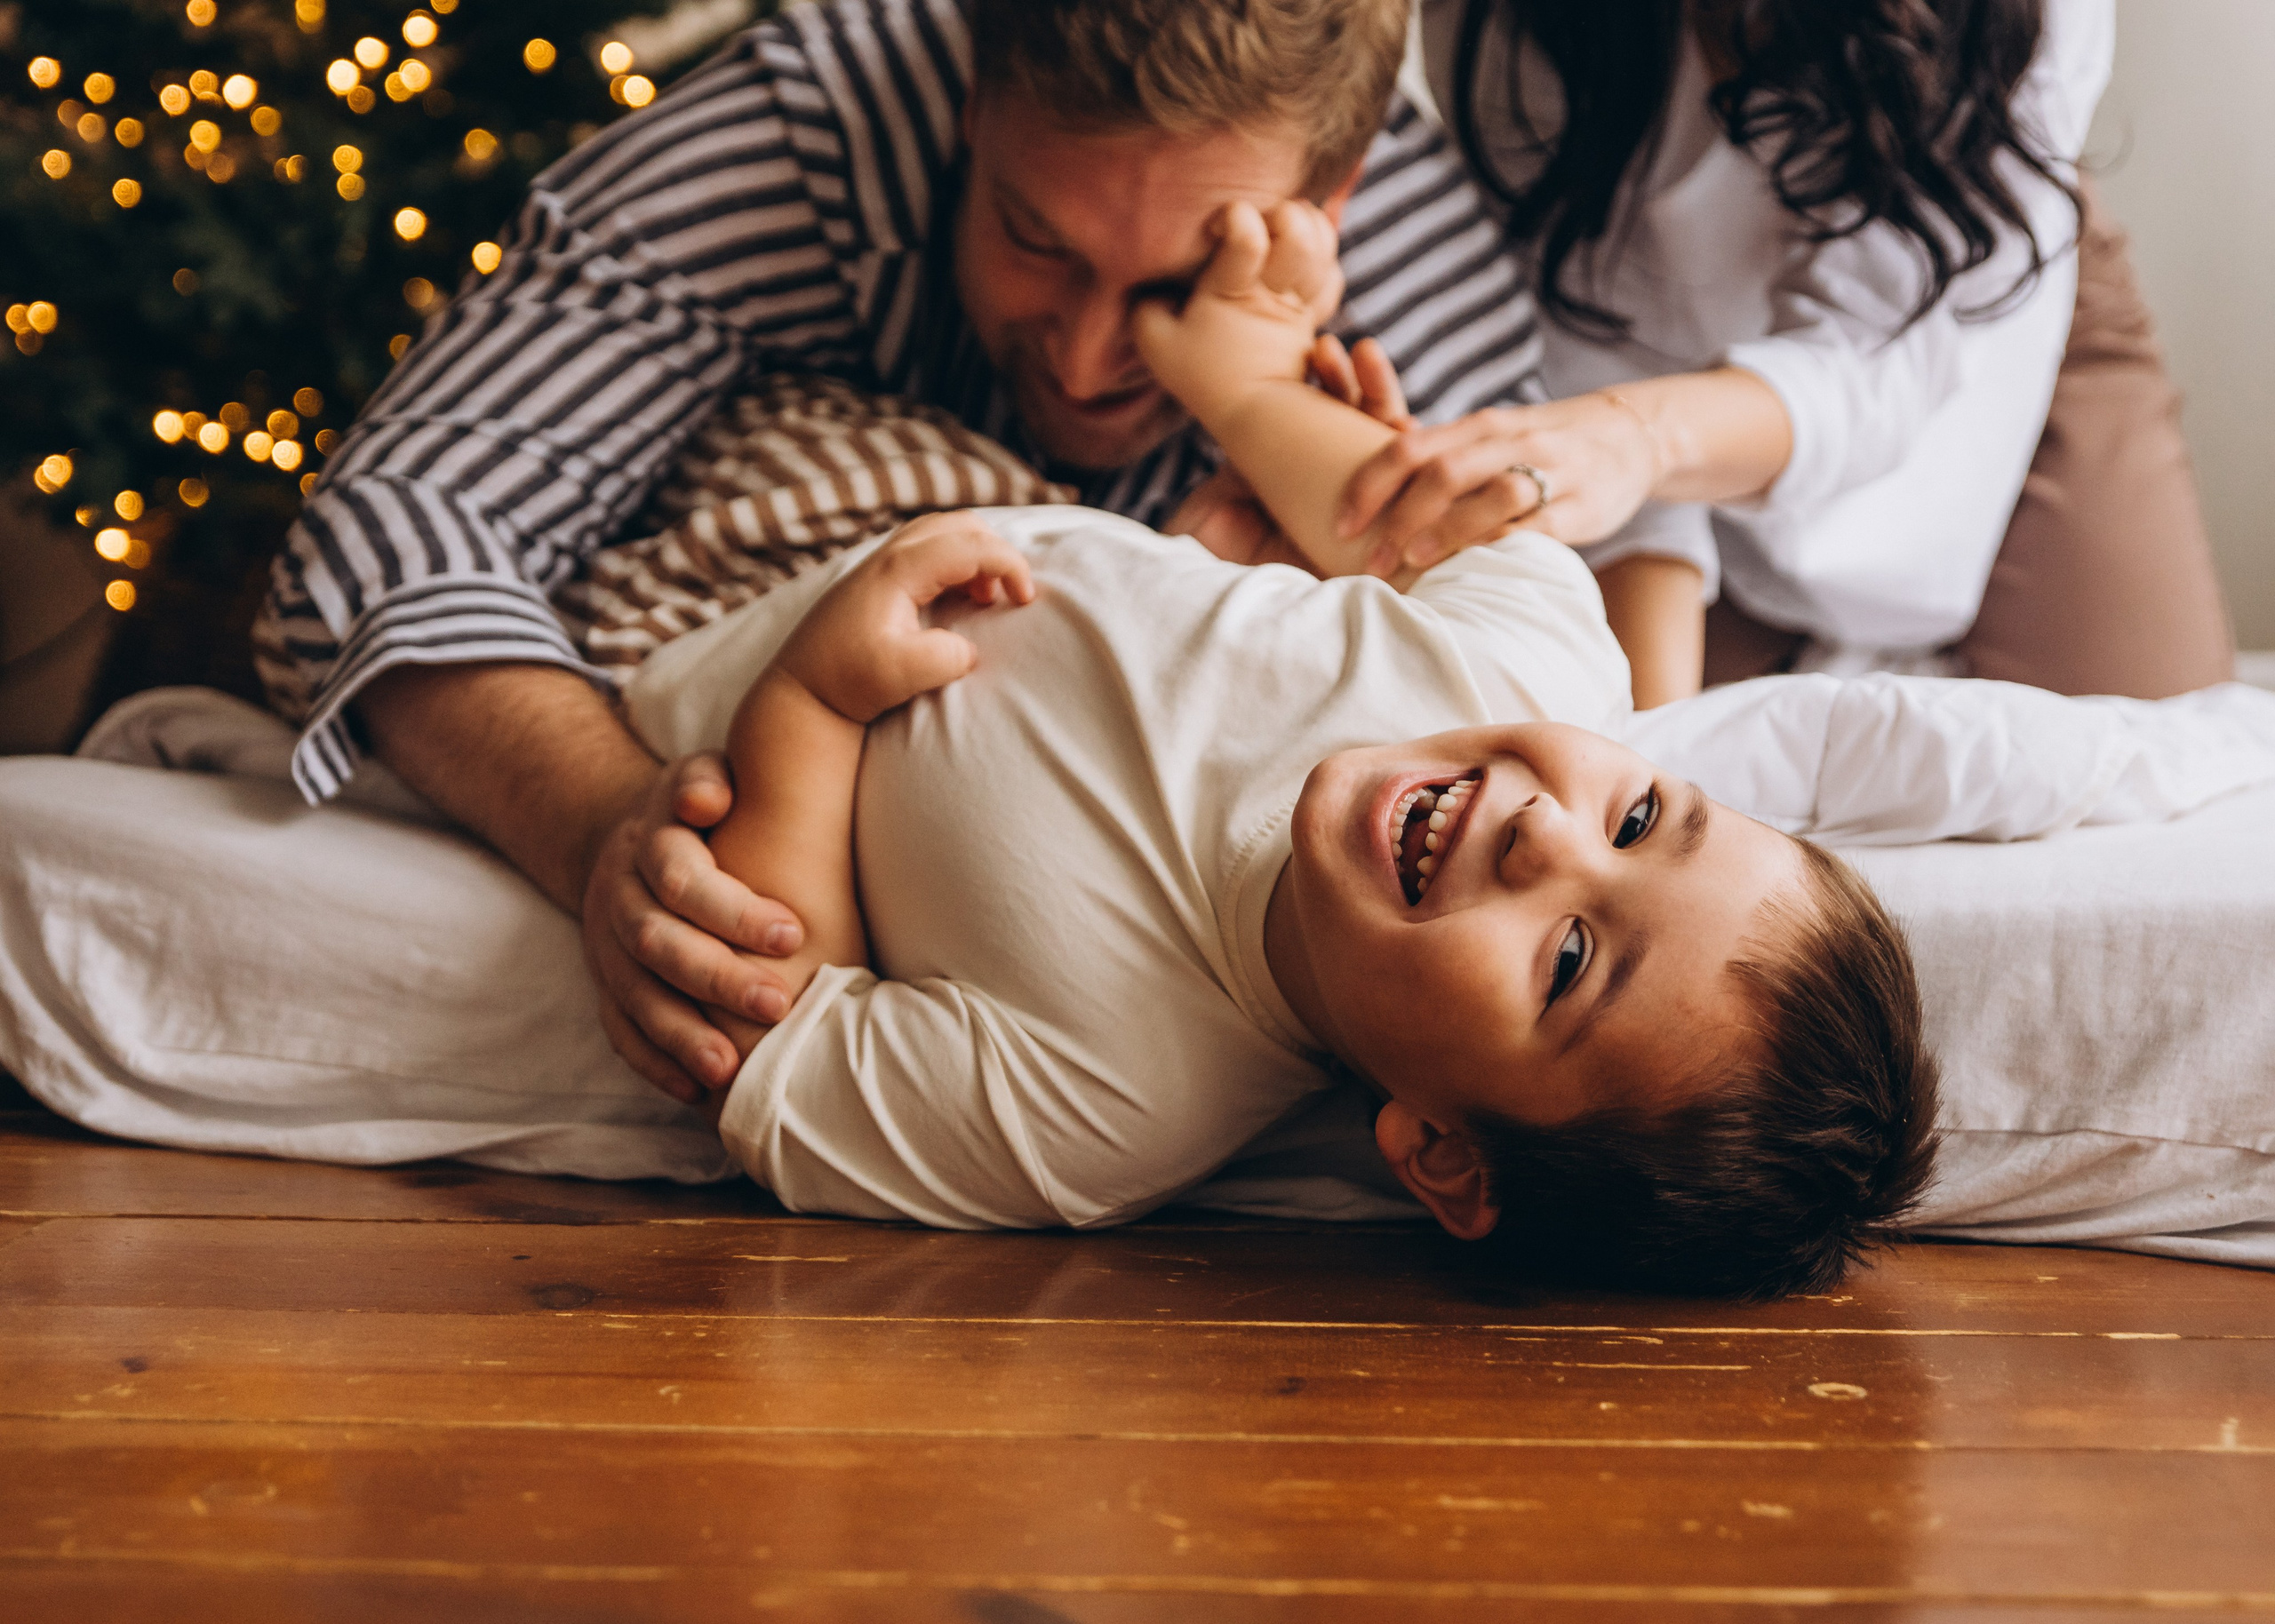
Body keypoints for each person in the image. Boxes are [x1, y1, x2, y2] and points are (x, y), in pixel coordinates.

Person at [248, 0, 1548, 1111]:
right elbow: (388, 528)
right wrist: (608, 833)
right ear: (973, 97)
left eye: (1174, 285)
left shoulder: (1431, 293)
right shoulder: (796, 132)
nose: (1093, 360)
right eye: (1037, 240)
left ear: (1339, 193)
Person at [641, 197, 1938, 1297]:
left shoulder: (1102, 1107)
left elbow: (774, 1038)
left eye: (1573, 959)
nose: (1551, 830)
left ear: (1442, 1154)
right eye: (1643, 819)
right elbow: (1393, 502)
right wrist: (1248, 386)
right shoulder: (1527, 658)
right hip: (932, 459)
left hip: (689, 621)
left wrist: (813, 703)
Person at [1327, 0, 2231, 707]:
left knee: (2172, 790)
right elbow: (1582, 360)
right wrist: (1647, 735)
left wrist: (1635, 440)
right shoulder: (1512, 33)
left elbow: (1882, 361)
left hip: (1977, 319)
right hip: (1624, 388)